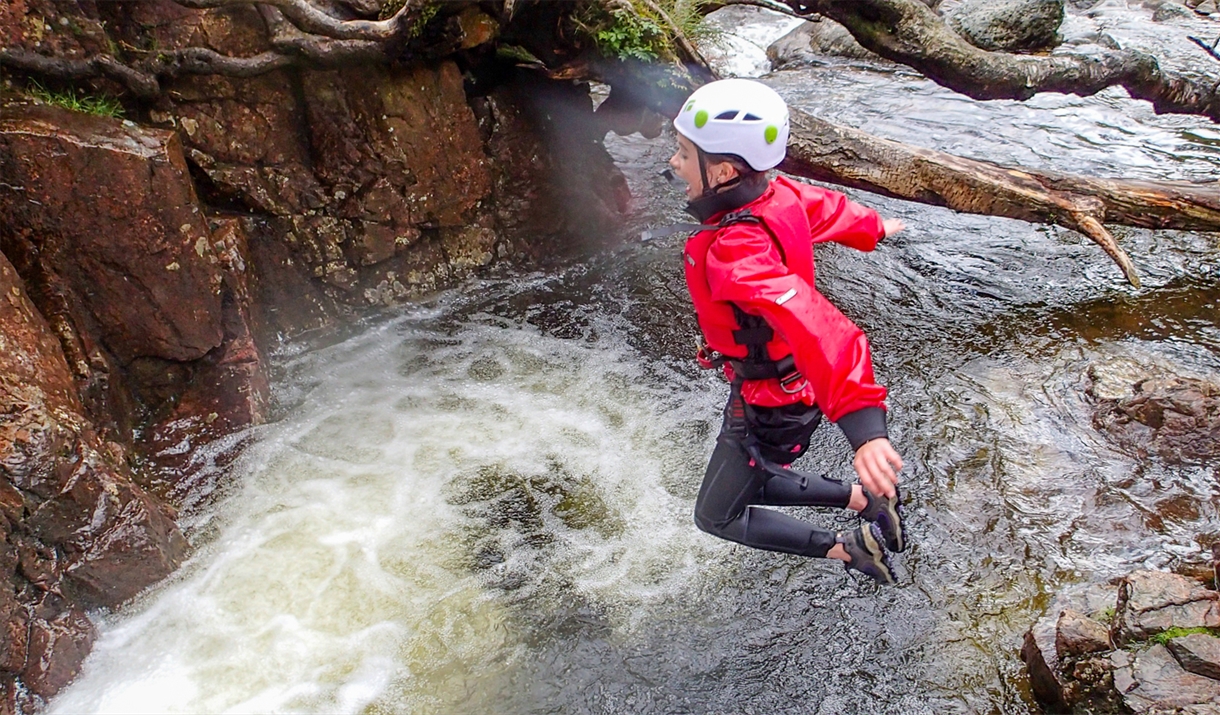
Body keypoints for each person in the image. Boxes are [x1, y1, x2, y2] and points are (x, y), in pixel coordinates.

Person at [668, 78, 907, 584]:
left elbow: (821, 328)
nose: (674, 163)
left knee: (718, 513)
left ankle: (850, 548)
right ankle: (866, 500)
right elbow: (826, 208)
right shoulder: (777, 196)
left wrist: (864, 431)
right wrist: (872, 226)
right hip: (785, 388)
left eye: (684, 153)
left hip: (773, 402)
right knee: (743, 476)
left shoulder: (738, 251)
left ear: (725, 170)